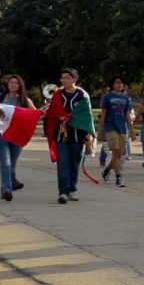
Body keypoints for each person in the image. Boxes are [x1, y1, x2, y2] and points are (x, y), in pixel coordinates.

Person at [0, 75, 38, 201]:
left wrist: (43, 111)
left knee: (12, 164)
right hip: (0, 134)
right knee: (6, 162)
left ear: (20, 85)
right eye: (11, 82)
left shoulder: (25, 100)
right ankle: (7, 190)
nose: (13, 84)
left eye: (16, 82)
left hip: (17, 136)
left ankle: (5, 188)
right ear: (7, 84)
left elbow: (35, 114)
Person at [46, 68, 94, 204]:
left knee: (74, 163)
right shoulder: (57, 95)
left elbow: (86, 117)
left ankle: (71, 189)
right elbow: (52, 113)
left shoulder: (82, 96)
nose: (64, 80)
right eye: (62, 78)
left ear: (74, 79)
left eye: (67, 77)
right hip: (61, 134)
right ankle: (63, 192)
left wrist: (88, 136)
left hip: (77, 135)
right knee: (63, 163)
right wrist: (59, 116)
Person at [100, 77, 133, 188]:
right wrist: (100, 131)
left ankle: (106, 171)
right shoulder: (107, 97)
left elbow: (127, 115)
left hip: (122, 129)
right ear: (113, 84)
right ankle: (119, 177)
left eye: (121, 83)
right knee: (115, 153)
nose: (120, 84)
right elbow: (103, 114)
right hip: (110, 128)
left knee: (118, 156)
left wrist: (131, 130)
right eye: (117, 82)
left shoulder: (125, 98)